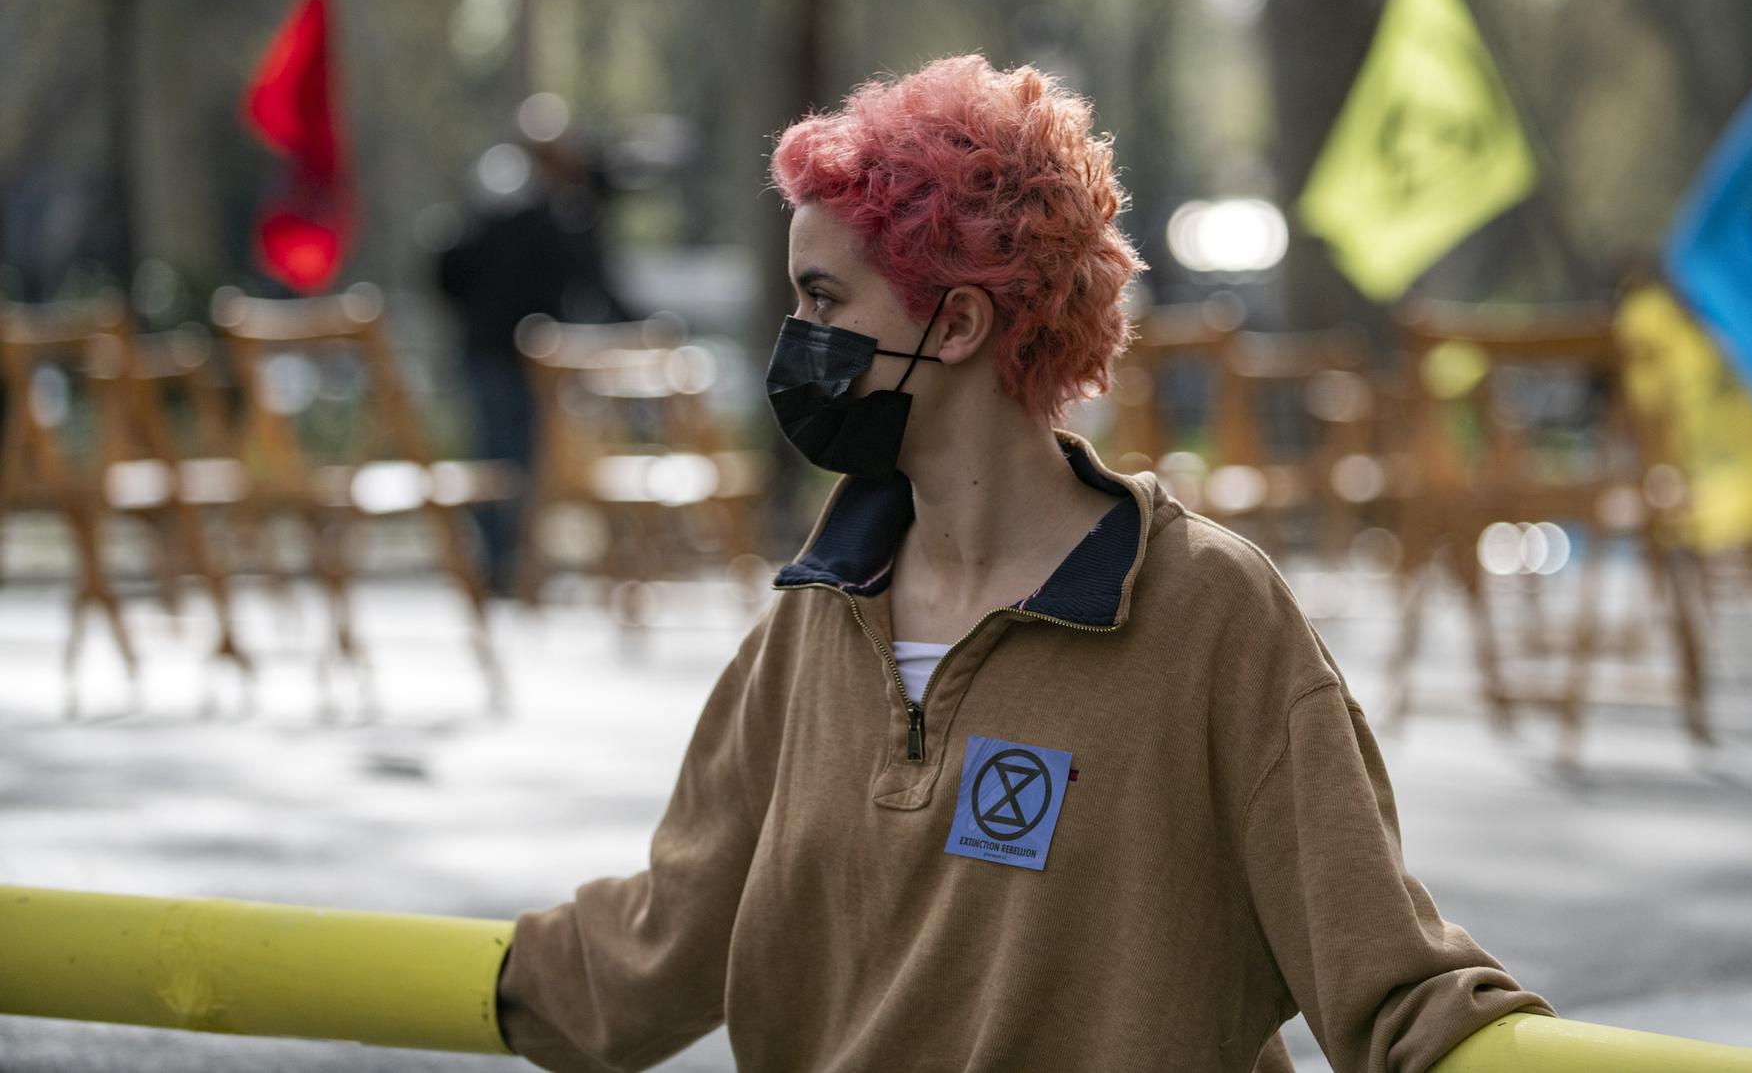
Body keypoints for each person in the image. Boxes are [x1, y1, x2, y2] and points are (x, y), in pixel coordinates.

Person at [494, 55, 1550, 1072]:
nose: (795, 340)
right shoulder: (809, 620)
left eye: (822, 300)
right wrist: (368, 964)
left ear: (954, 322)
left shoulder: (1208, 615)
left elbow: (1386, 972)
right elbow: (658, 944)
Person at [433, 127, 630, 594]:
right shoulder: (545, 216)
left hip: (505, 354)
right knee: (505, 459)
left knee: (507, 457)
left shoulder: (504, 210)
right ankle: (501, 564)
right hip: (509, 356)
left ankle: (508, 564)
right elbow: (584, 278)